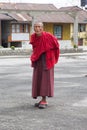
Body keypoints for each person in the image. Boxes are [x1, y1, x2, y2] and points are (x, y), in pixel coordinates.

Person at [30, 21, 60, 109]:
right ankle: (41, 99)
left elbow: (56, 46)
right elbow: (35, 48)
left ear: (42, 28)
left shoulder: (48, 36)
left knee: (45, 79)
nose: (37, 28)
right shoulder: (33, 37)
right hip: (38, 59)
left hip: (47, 59)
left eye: (39, 26)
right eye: (35, 27)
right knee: (38, 78)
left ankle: (44, 100)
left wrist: (51, 55)